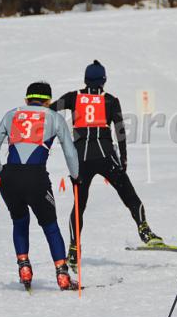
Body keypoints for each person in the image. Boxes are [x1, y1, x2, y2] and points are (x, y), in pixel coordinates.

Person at [50, 60, 163, 272]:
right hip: (105, 155)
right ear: (104, 80)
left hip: (81, 159)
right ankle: (144, 230)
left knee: (79, 205)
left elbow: (51, 110)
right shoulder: (110, 100)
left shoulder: (73, 97)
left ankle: (73, 249)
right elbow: (120, 131)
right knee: (129, 194)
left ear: (85, 79)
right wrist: (124, 159)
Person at [0, 82, 80, 291]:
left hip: (10, 178)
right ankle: (62, 275)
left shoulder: (11, 114)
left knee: (19, 221)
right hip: (36, 178)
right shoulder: (54, 117)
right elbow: (70, 152)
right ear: (48, 101)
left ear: (26, 99)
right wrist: (76, 177)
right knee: (50, 226)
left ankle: (24, 268)